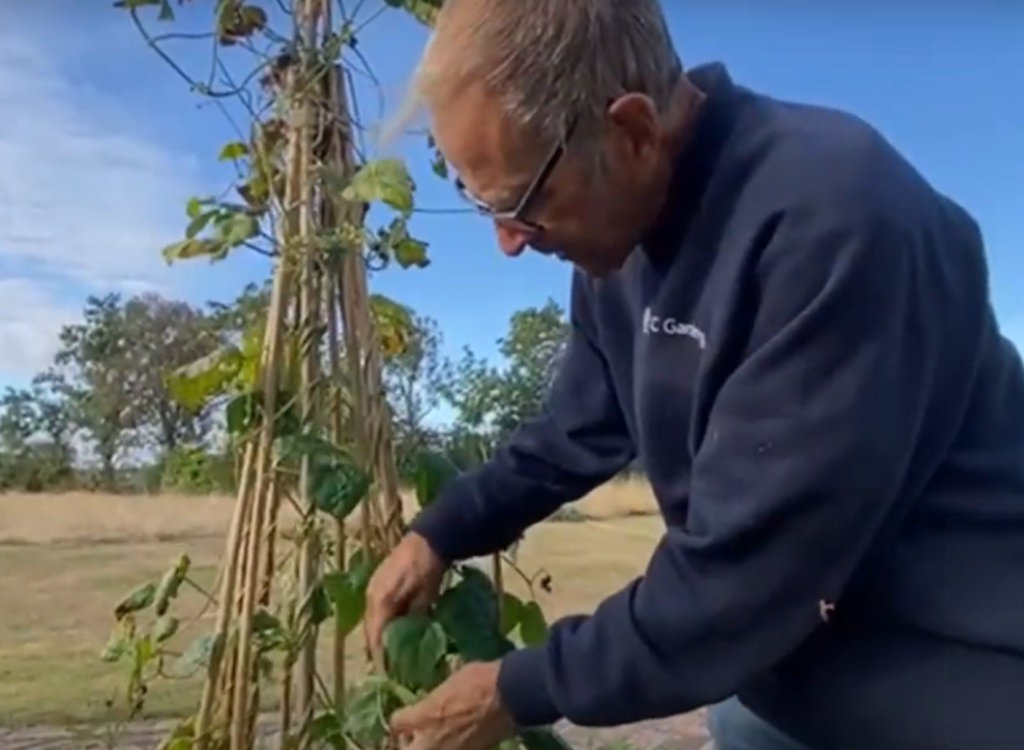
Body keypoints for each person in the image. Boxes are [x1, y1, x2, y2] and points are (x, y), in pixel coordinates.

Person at [364, 1, 1024, 749]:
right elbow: (574, 431)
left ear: (636, 132)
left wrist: (520, 688)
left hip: (955, 676)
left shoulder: (834, 219)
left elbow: (745, 572)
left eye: (522, 203)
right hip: (785, 673)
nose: (509, 241)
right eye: (481, 201)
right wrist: (441, 532)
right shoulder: (619, 244)